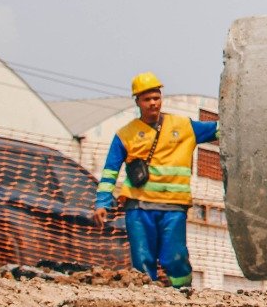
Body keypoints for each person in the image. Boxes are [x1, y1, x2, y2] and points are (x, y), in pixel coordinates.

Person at [90, 73, 216, 288]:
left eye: (156, 98)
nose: (153, 103)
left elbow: (222, 130)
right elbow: (110, 171)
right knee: (143, 260)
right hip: (139, 207)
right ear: (137, 101)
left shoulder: (184, 126)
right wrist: (102, 203)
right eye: (147, 99)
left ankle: (184, 294)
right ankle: (147, 299)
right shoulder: (126, 134)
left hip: (173, 207)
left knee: (175, 258)